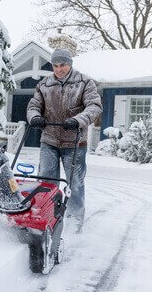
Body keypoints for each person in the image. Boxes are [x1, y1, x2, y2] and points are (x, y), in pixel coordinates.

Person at [26, 48, 102, 232]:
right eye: (55, 65)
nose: (59, 69)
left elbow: (94, 106)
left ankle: (75, 224)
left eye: (63, 65)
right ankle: (47, 218)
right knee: (47, 183)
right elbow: (34, 105)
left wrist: (77, 121)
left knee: (74, 184)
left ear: (70, 64)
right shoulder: (44, 84)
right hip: (49, 140)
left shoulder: (84, 82)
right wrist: (34, 117)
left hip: (75, 142)